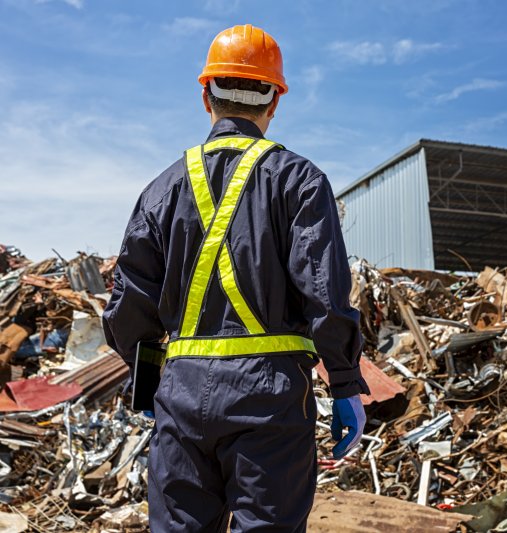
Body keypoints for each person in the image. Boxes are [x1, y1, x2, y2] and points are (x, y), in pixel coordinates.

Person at [102, 24, 369, 532]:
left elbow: (127, 306)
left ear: (207, 96)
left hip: (179, 398)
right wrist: (345, 384)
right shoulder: (300, 180)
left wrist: (155, 384)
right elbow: (325, 295)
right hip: (269, 399)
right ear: (275, 102)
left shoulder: (162, 188)